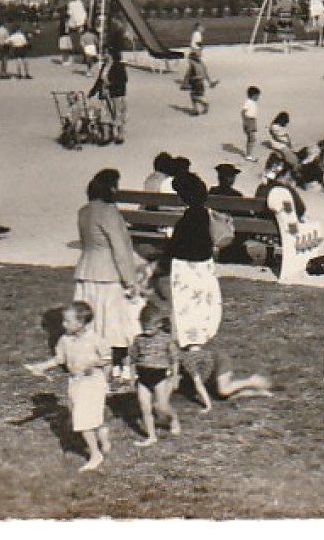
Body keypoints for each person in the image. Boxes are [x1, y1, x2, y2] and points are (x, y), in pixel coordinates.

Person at [26, 301, 113, 472]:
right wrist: (41, 366)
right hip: (76, 382)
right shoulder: (64, 340)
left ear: (80, 323)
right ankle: (104, 440)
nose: (63, 324)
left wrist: (101, 373)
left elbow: (108, 359)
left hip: (93, 381)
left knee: (83, 419)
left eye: (67, 321)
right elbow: (59, 359)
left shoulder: (95, 339)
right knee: (87, 415)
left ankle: (95, 454)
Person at [74, 169, 142, 387]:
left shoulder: (84, 211)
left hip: (87, 270)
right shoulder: (110, 212)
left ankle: (91, 359)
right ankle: (115, 365)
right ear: (111, 188)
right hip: (109, 274)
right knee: (114, 325)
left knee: (93, 322)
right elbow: (120, 250)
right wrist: (130, 280)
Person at [166, 171, 222, 350]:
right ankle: (199, 336)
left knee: (187, 305)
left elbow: (177, 247)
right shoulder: (206, 214)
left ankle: (191, 340)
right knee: (202, 303)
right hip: (203, 266)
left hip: (186, 267)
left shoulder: (186, 220)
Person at [128, 302, 181, 446]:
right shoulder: (139, 339)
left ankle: (173, 418)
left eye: (150, 328)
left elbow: (175, 359)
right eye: (143, 327)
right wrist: (132, 377)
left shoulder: (166, 339)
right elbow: (132, 359)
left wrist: (175, 377)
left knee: (161, 406)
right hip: (143, 377)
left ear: (158, 325)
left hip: (160, 377)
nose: (146, 331)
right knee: (145, 407)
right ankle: (151, 436)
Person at [89, 54, 128, 144]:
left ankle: (119, 136)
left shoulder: (119, 65)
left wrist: (111, 84)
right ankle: (106, 137)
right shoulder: (104, 66)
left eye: (106, 53)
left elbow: (124, 80)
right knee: (105, 115)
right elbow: (99, 80)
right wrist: (92, 92)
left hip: (116, 94)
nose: (104, 55)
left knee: (117, 114)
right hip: (104, 95)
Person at [184, 48, 211, 116]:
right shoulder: (201, 63)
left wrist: (185, 83)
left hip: (195, 81)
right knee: (199, 95)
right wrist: (209, 82)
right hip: (201, 81)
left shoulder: (192, 64)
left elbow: (188, 74)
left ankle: (202, 105)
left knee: (193, 96)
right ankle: (196, 109)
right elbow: (206, 73)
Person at [241, 86, 261, 162]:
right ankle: (248, 155)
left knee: (252, 139)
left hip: (252, 121)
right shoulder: (248, 102)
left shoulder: (252, 102)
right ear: (254, 95)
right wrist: (245, 122)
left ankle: (249, 154)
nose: (258, 98)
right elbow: (243, 112)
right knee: (251, 139)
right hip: (249, 121)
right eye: (257, 96)